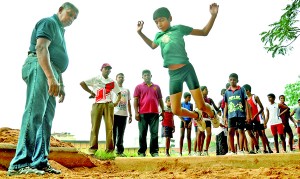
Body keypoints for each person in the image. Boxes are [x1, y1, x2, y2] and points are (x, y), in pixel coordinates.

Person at [7, 2, 79, 176]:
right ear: (60, 10)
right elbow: (41, 48)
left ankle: (39, 161)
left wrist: (59, 83)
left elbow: (55, 59)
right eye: (69, 14)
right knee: (34, 112)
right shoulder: (49, 22)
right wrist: (50, 77)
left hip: (50, 72)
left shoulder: (60, 31)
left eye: (74, 18)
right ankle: (19, 163)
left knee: (46, 119)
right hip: (39, 67)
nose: (71, 19)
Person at [136, 3, 220, 136]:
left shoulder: (179, 29)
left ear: (170, 18)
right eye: (156, 22)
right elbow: (152, 45)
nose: (159, 24)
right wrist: (140, 33)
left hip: (187, 69)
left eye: (162, 20)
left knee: (202, 105)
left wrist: (213, 16)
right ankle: (197, 117)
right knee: (175, 110)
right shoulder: (158, 36)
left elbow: (204, 32)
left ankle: (213, 114)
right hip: (173, 74)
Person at [80, 63, 121, 154]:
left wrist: (115, 103)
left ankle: (109, 150)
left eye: (109, 69)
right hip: (97, 104)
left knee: (109, 127)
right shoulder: (95, 79)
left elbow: (119, 93)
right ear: (101, 69)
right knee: (95, 127)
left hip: (108, 105)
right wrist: (91, 92)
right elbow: (82, 83)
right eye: (106, 68)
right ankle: (92, 149)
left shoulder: (112, 82)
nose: (107, 70)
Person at [134, 69, 164, 157]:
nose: (147, 76)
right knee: (142, 133)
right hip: (142, 113)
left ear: (151, 76)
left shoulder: (156, 87)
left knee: (154, 133)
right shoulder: (138, 87)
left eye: (148, 75)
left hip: (154, 113)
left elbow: (160, 99)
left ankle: (154, 152)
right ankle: (142, 152)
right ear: (142, 77)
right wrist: (136, 112)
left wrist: (163, 110)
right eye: (145, 75)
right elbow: (135, 100)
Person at [223, 73, 250, 155]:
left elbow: (246, 103)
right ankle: (232, 151)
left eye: (234, 80)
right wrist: (224, 117)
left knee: (241, 131)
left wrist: (248, 115)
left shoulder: (242, 90)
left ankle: (241, 150)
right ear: (228, 80)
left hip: (241, 114)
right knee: (230, 131)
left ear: (237, 80)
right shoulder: (227, 92)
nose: (232, 81)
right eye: (231, 80)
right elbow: (226, 105)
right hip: (231, 115)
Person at [112, 73, 133, 157]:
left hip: (124, 114)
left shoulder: (126, 90)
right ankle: (110, 150)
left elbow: (129, 103)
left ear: (124, 79)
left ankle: (120, 151)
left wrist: (131, 114)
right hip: (114, 114)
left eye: (122, 77)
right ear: (116, 79)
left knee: (121, 133)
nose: (120, 78)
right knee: (113, 133)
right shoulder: (112, 89)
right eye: (119, 77)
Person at [243, 84, 267, 154]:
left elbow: (262, 108)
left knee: (260, 133)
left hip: (256, 118)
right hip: (249, 119)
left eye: (244, 91)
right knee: (250, 134)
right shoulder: (245, 99)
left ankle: (265, 149)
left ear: (247, 91)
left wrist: (256, 115)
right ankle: (254, 149)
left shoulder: (255, 97)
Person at [199, 86, 219, 156]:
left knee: (209, 134)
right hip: (201, 119)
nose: (207, 91)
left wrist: (221, 105)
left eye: (207, 89)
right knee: (201, 135)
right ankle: (199, 151)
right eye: (205, 90)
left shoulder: (210, 100)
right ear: (201, 91)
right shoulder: (199, 99)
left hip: (207, 119)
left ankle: (205, 150)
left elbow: (216, 108)